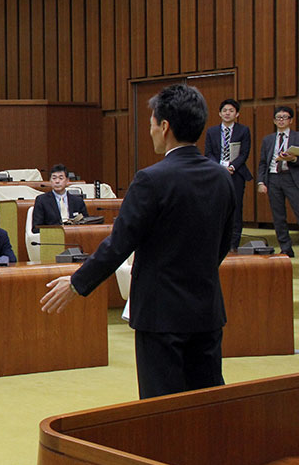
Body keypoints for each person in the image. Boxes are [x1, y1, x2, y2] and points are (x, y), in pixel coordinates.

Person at [41, 84, 234, 399]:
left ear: (165, 126)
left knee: (161, 410)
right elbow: (224, 242)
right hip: (205, 310)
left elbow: (119, 244)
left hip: (161, 316)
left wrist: (78, 283)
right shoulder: (222, 178)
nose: (151, 132)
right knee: (208, 406)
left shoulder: (151, 180)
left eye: (151, 124)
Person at [203, 98, 252, 251]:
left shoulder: (243, 130)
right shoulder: (212, 131)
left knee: (236, 208)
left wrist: (232, 167)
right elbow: (209, 153)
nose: (227, 113)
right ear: (219, 113)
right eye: (224, 110)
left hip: (236, 174)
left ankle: (233, 245)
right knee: (218, 207)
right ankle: (218, 242)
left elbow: (244, 153)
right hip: (217, 174)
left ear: (237, 114)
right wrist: (219, 168)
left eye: (231, 111)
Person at [256, 106, 299, 257]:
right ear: (274, 120)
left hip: (291, 177)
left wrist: (293, 158)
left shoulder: (297, 137)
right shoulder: (268, 139)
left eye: (285, 117)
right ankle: (286, 248)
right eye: (278, 117)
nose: (281, 120)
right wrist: (261, 182)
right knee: (278, 215)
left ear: (291, 120)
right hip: (273, 177)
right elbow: (262, 162)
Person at [31, 164, 89, 232]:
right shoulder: (42, 200)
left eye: (61, 178)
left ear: (67, 181)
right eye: (54, 178)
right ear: (50, 181)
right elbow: (36, 227)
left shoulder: (78, 201)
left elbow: (86, 224)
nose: (57, 181)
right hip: (52, 238)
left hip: (73, 235)